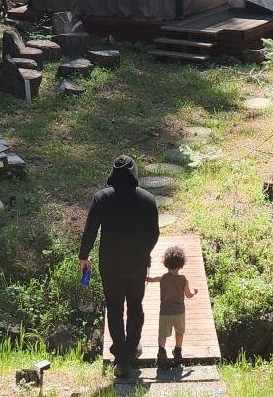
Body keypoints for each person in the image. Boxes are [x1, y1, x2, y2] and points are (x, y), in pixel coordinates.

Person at [79, 156, 159, 379]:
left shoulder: (102, 198)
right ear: (134, 173)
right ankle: (131, 349)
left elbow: (90, 231)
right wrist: (145, 253)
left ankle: (121, 358)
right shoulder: (147, 199)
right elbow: (154, 234)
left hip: (111, 265)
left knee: (114, 307)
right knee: (135, 305)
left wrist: (83, 256)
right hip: (137, 264)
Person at [150, 244, 198, 371]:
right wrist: (194, 292)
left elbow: (152, 279)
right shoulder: (183, 280)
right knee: (179, 332)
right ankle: (177, 353)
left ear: (166, 264)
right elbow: (188, 295)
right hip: (179, 312)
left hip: (165, 312)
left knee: (163, 333)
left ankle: (161, 353)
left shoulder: (163, 278)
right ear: (181, 265)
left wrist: (144, 278)